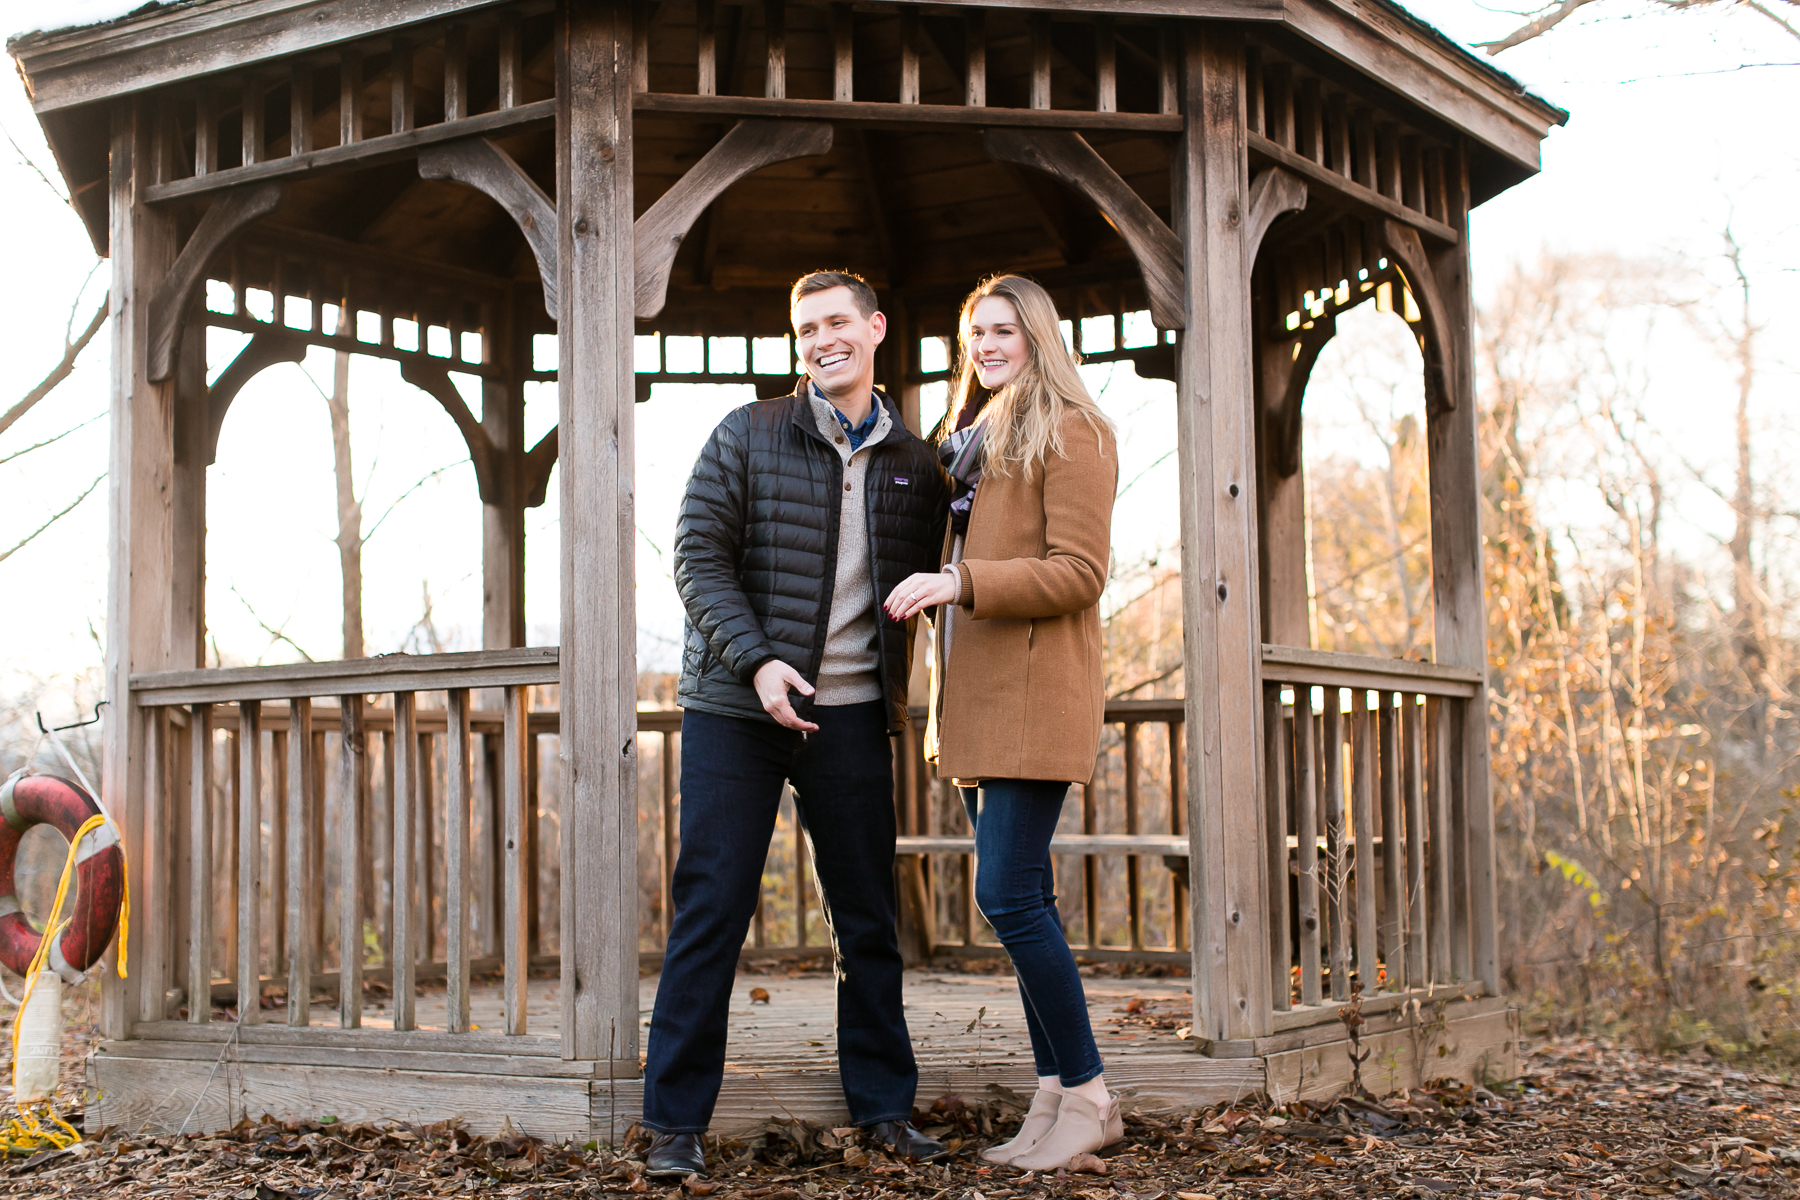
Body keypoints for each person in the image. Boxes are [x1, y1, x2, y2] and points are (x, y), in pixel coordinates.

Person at [642, 270, 952, 1179]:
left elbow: (972, 546)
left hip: (852, 715)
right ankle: (674, 1125)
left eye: (838, 323)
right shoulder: (748, 432)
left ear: (876, 329)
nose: (823, 340)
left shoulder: (918, 462)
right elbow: (695, 557)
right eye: (806, 327)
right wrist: (756, 660)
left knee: (867, 918)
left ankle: (886, 1109)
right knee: (713, 907)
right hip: (738, 708)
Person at [883, 274, 1121, 1171]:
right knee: (1025, 902)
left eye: (1003, 332)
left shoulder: (1075, 429)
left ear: (1039, 338)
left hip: (1034, 692)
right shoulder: (974, 441)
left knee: (1007, 897)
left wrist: (961, 582)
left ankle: (1091, 1095)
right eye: (974, 332)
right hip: (979, 699)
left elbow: (1080, 570)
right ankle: (1054, 1097)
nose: (984, 346)